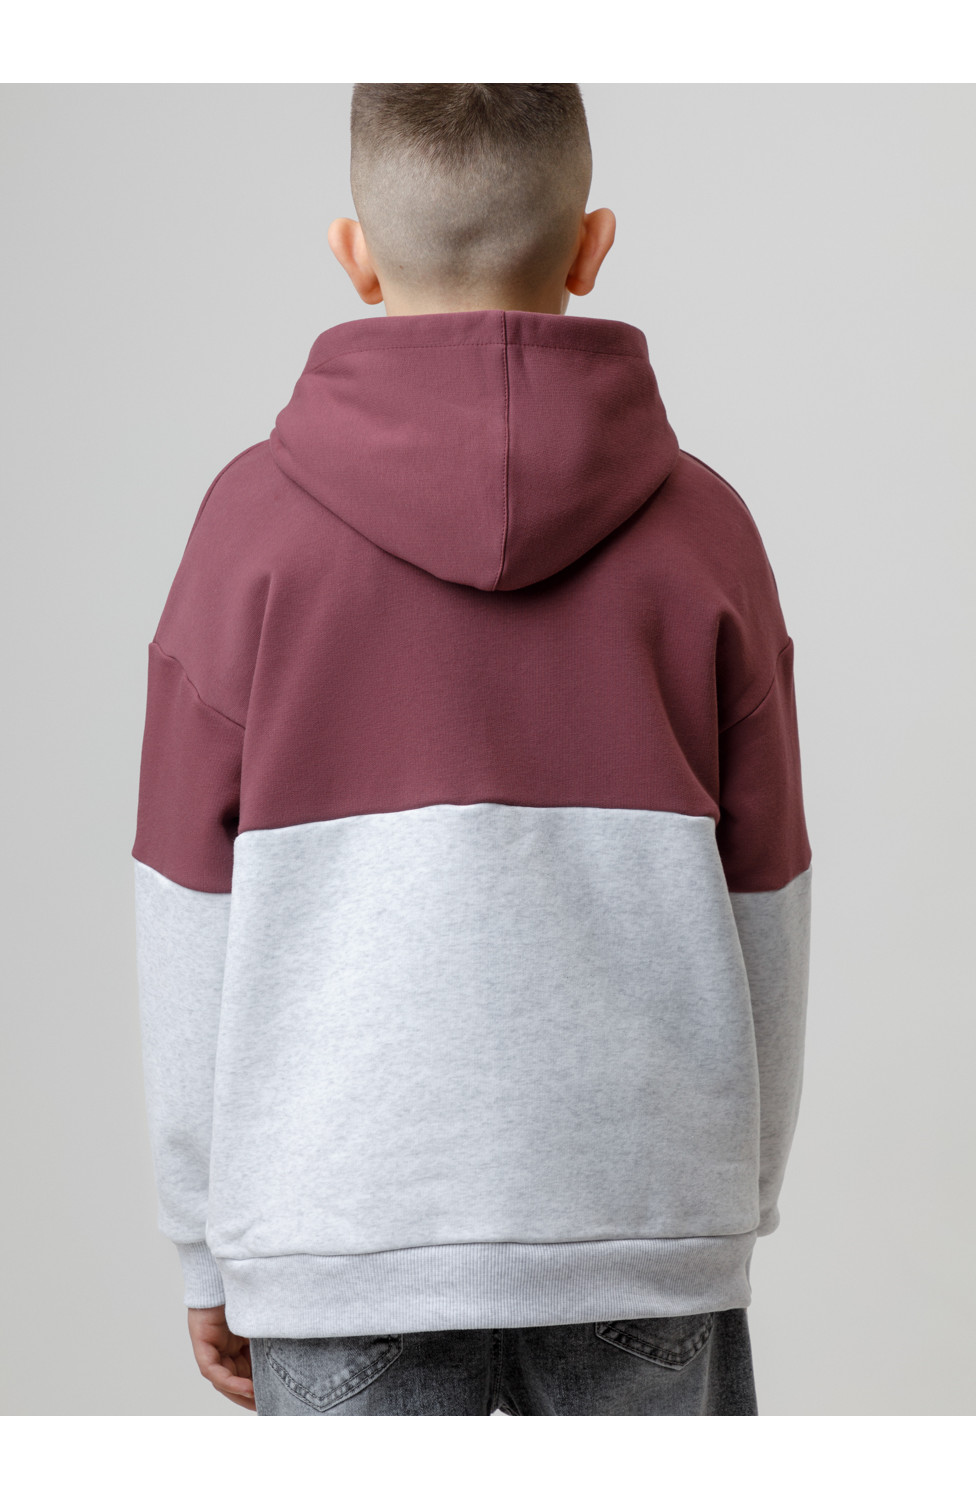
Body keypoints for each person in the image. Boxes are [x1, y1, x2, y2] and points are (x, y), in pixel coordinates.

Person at [131, 84, 812, 1417]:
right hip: (644, 1227)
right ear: (591, 246)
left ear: (356, 255)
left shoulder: (248, 530)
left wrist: (206, 1237)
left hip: (339, 1236)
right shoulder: (708, 534)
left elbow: (183, 911)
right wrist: (728, 1201)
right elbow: (768, 901)